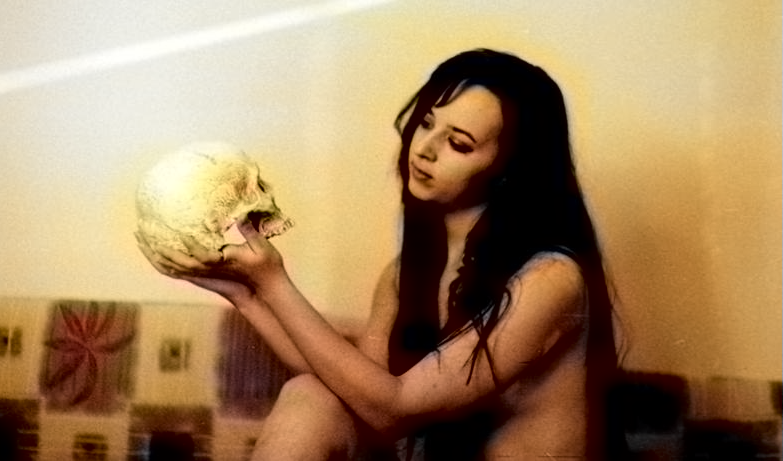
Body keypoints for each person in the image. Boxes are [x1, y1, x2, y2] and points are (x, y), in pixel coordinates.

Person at [137, 49, 623, 460]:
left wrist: (273, 280)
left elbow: (394, 408)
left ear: (509, 170)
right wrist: (244, 294)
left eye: (458, 143)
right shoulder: (407, 272)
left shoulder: (551, 279)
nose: (424, 148)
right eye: (426, 123)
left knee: (314, 396)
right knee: (310, 395)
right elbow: (356, 391)